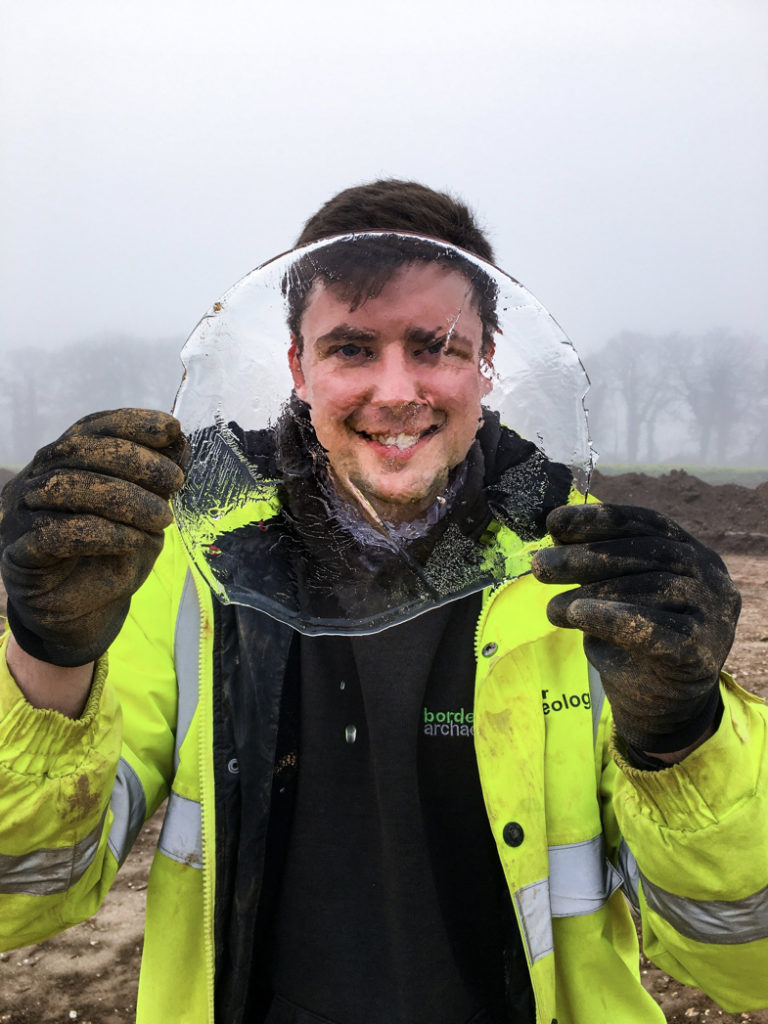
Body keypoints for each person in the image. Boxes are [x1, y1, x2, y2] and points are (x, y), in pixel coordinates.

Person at [0, 180, 765, 1024]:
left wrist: (682, 735)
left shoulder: (583, 575)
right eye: (352, 349)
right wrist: (48, 652)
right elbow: (24, 899)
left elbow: (747, 963)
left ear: (488, 358)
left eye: (435, 345)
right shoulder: (193, 561)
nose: (397, 391)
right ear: (298, 365)